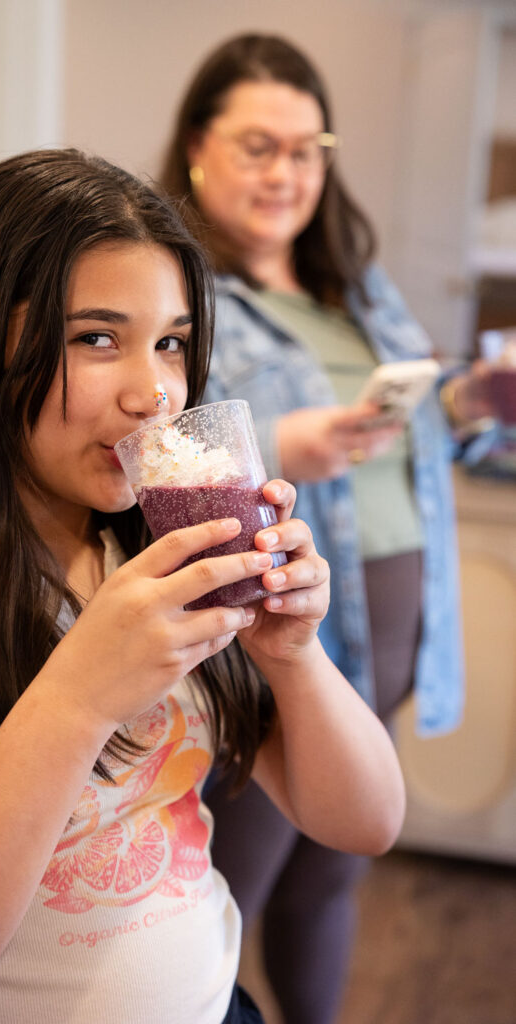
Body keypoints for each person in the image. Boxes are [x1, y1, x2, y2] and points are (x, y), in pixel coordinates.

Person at [0, 148, 405, 1024]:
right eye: (95, 338)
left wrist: (292, 657)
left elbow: (365, 823)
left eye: (171, 342)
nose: (154, 394)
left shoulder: (159, 564)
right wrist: (76, 698)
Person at [159, 33, 501, 1024]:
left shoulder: (351, 282)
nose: (286, 172)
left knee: (331, 875)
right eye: (258, 145)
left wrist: (469, 400)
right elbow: (153, 445)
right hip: (276, 641)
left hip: (389, 640)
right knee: (222, 896)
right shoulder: (180, 291)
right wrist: (282, 443)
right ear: (197, 146)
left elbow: (412, 422)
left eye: (307, 149)